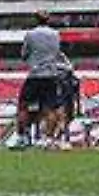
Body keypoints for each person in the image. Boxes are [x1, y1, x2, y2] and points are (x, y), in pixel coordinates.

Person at [15, 13, 69, 149]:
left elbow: (24, 54)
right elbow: (57, 53)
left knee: (23, 105)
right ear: (48, 20)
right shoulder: (55, 34)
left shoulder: (30, 34)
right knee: (50, 108)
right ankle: (48, 138)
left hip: (35, 74)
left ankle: (23, 137)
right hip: (51, 74)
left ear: (35, 20)